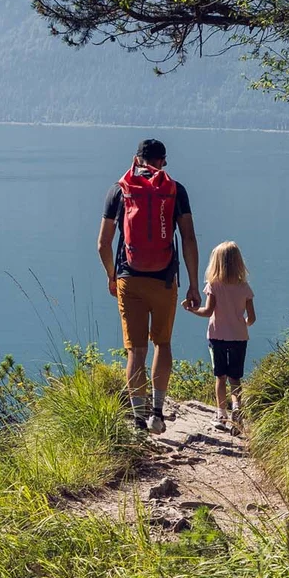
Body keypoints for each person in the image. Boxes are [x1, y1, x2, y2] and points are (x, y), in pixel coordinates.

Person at [99, 138, 200, 434]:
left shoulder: (119, 190)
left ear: (137, 159)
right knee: (163, 344)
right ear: (162, 162)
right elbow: (189, 239)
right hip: (165, 280)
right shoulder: (175, 190)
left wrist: (111, 275)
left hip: (129, 278)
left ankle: (139, 420)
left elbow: (103, 244)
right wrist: (193, 284)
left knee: (136, 351)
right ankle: (158, 413)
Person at [183, 241, 255, 432]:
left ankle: (221, 415)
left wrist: (192, 309)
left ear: (216, 263)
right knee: (235, 378)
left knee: (220, 377)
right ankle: (237, 409)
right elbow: (252, 318)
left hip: (217, 337)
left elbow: (208, 312)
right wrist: (242, 324)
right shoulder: (244, 287)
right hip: (240, 338)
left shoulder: (214, 286)